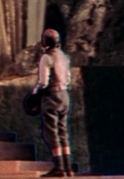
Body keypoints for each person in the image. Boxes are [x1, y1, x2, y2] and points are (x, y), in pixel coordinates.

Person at [29, 28, 74, 177]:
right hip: (64, 95)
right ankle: (68, 168)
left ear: (45, 42)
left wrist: (34, 93)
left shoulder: (46, 57)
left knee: (51, 132)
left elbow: (43, 82)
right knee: (63, 131)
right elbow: (68, 77)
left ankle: (59, 167)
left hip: (52, 96)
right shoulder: (64, 57)